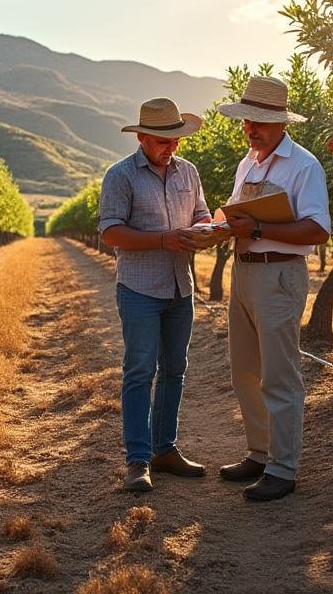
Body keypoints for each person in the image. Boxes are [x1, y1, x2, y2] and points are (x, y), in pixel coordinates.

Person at [215, 75, 330, 501]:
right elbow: (236, 215)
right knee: (245, 370)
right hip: (243, 271)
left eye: (259, 121)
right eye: (247, 120)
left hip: (279, 274)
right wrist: (215, 227)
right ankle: (260, 453)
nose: (251, 128)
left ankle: (284, 469)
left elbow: (317, 229)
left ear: (281, 122)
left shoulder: (303, 165)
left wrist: (260, 226)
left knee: (279, 376)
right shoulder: (248, 162)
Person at [98, 97, 212, 493]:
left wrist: (205, 230)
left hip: (181, 287)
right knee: (139, 371)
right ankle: (137, 460)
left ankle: (165, 449)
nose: (172, 146)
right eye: (163, 140)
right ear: (143, 137)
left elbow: (201, 213)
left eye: (176, 139)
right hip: (140, 289)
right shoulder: (121, 175)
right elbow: (111, 232)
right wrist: (164, 239)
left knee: (175, 369)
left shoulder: (189, 172)